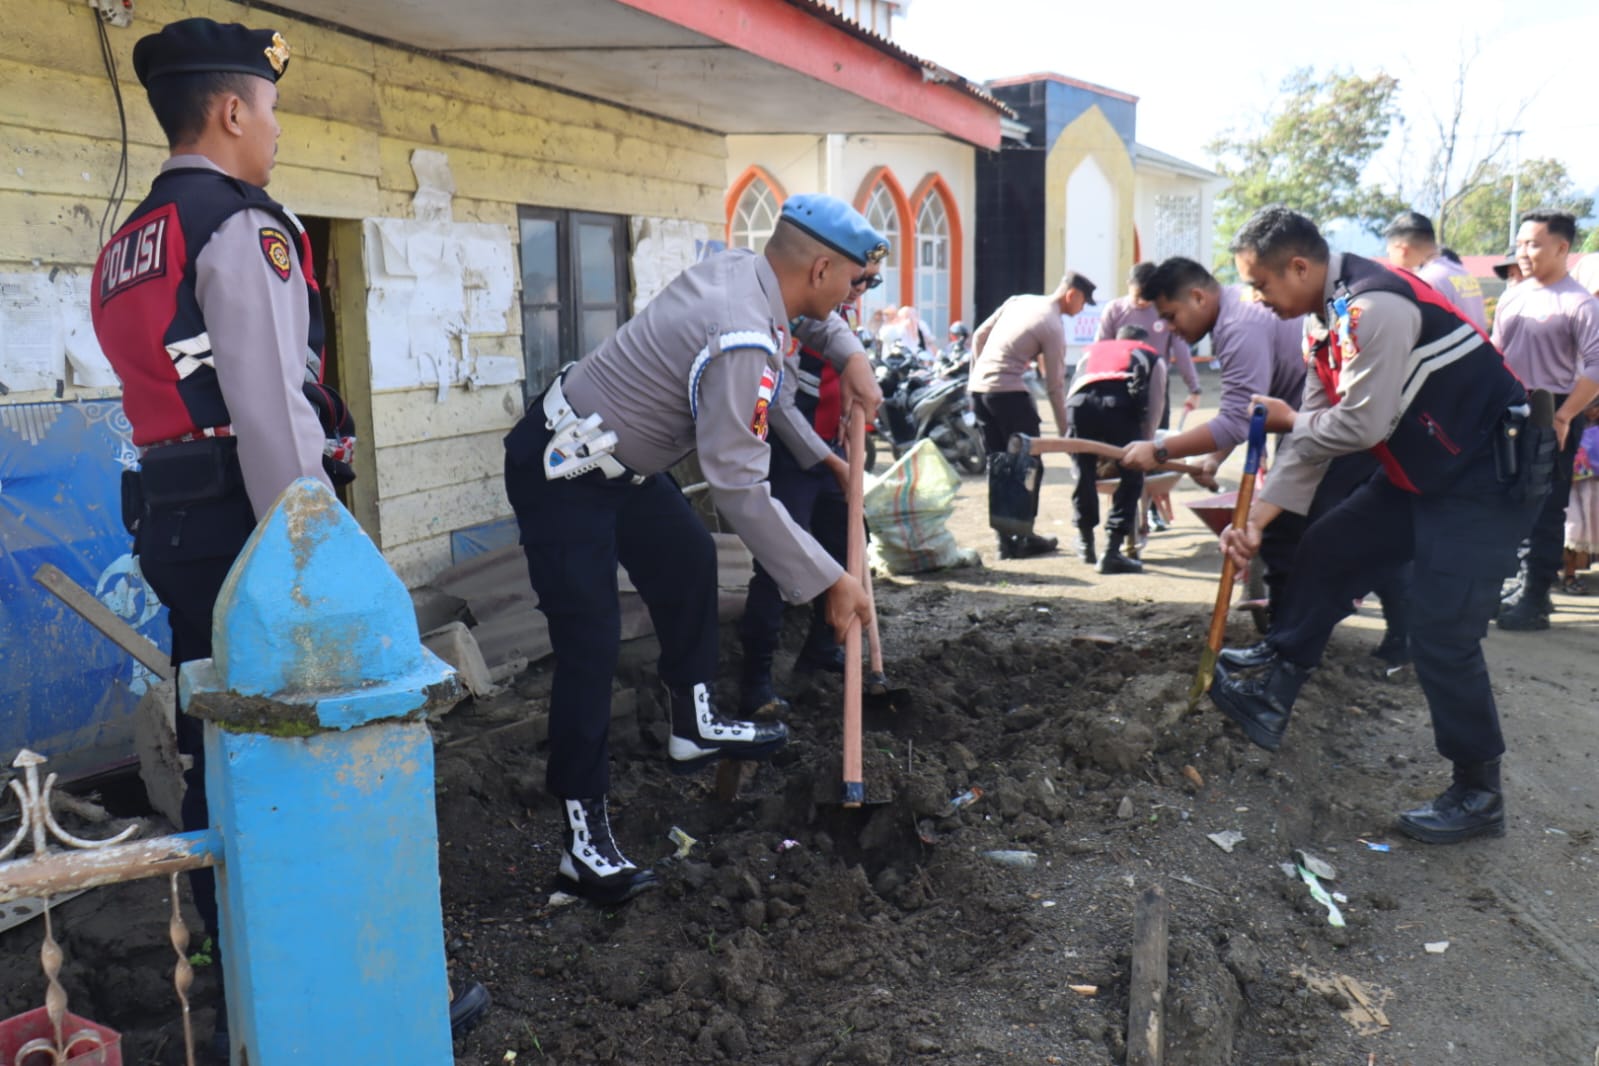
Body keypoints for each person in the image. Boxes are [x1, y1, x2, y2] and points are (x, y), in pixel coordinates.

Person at [88, 17, 488, 1050]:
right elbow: (271, 420)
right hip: (256, 530)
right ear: (230, 110)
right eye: (269, 108)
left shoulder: (131, 242)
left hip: (173, 523)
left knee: (213, 748)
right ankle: (346, 992)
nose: (275, 129)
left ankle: (240, 988)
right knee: (310, 750)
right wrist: (315, 574)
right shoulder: (241, 227)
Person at [503, 193, 883, 904]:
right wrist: (830, 580)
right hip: (563, 472)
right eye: (857, 284)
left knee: (688, 559)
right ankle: (582, 847)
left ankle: (693, 721)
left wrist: (851, 356)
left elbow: (808, 320)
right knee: (590, 647)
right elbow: (738, 486)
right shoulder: (741, 334)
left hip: (619, 464)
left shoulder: (748, 270)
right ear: (823, 266)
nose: (856, 298)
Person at [1208, 206, 1545, 845]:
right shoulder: (1322, 322)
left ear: (1300, 266)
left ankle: (1478, 794)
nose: (1255, 299)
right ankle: (1274, 690)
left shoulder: (1373, 308)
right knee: (1330, 544)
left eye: (1260, 285)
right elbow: (1313, 439)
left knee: (1442, 634)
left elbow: (1359, 427)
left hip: (1486, 481)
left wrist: (1286, 423)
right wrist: (1255, 520)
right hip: (1427, 472)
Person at [739, 268, 885, 715]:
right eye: (857, 278)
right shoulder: (792, 312)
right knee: (780, 562)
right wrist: (829, 460)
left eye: (871, 283)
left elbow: (844, 358)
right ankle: (755, 684)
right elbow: (778, 405)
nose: (859, 289)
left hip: (831, 452)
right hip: (790, 454)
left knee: (850, 547)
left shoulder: (841, 313)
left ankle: (822, 647)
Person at [1492, 210, 1599, 629]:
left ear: (1561, 248)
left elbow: (1595, 365)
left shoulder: (1579, 303)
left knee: (1546, 503)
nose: (1524, 252)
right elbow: (1495, 354)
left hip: (1551, 408)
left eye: (1533, 244)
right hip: (1510, 409)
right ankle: (1521, 582)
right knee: (1511, 499)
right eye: (1520, 244)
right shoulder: (1513, 295)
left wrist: (1565, 415)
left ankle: (1536, 597)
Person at [969, 271, 1098, 559]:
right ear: (1072, 295)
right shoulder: (1052, 325)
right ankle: (1023, 537)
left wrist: (977, 377)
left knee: (999, 463)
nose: (1081, 310)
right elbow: (1054, 386)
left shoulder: (1019, 301)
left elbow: (979, 336)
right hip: (1010, 395)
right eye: (1083, 303)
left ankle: (1006, 542)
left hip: (980, 392)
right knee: (1029, 464)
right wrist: (1067, 432)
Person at [1064, 326, 1160, 573]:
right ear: (1141, 341)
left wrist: (1072, 442)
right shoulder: (1149, 354)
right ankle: (1112, 552)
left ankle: (1086, 544)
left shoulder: (1091, 352)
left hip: (1079, 406)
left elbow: (1073, 388)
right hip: (1119, 406)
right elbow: (1155, 405)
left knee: (1083, 473)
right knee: (1131, 474)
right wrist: (1146, 446)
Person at [1096, 262, 1204, 428]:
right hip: (1120, 384)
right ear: (1128, 285)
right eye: (1137, 295)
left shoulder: (1168, 312)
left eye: (1147, 297)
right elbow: (1101, 350)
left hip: (1156, 383)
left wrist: (1194, 389)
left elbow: (1182, 352)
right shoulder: (1114, 310)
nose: (1141, 301)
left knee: (1157, 437)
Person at [1383, 211, 1489, 332]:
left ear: (1402, 249)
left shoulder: (1425, 281)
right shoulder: (1463, 273)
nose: (1389, 257)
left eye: (1389, 251)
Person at [1561, 407, 1599, 593]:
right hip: (1572, 488)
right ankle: (1569, 575)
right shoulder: (1567, 423)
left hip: (1593, 489)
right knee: (1574, 530)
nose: (1594, 410)